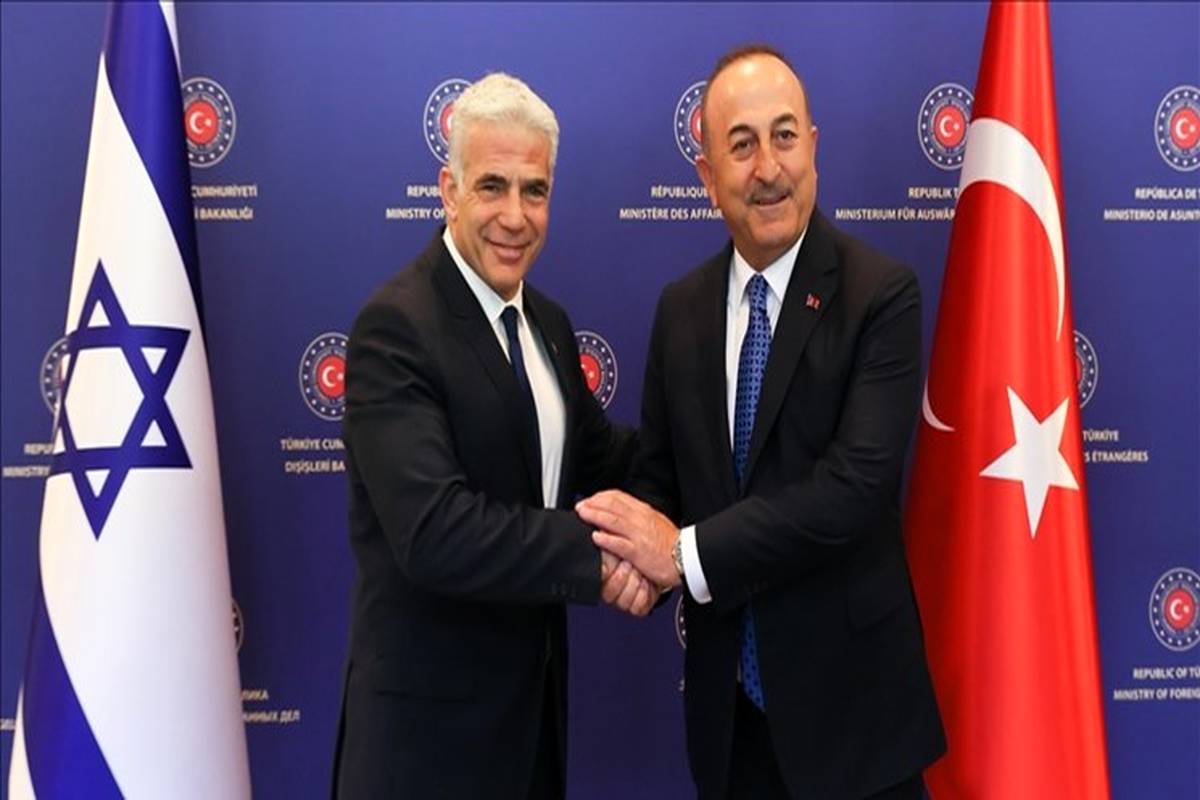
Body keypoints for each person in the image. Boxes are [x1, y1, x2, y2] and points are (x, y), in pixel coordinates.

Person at [577, 46, 946, 799]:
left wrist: (679, 555)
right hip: (729, 728)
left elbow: (852, 491)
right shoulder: (681, 310)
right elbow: (662, 482)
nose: (768, 168)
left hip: (856, 725)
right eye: (741, 145)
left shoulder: (880, 295)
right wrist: (632, 563)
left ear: (814, 147)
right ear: (707, 176)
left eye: (784, 136)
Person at [332, 72, 650, 799]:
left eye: (534, 191)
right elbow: (435, 531)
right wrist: (604, 560)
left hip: (531, 736)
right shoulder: (396, 327)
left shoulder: (549, 324)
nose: (515, 215)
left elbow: (603, 463)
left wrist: (716, 479)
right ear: (449, 191)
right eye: (492, 187)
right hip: (425, 754)